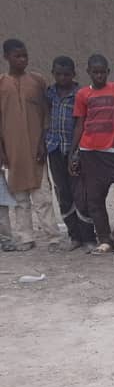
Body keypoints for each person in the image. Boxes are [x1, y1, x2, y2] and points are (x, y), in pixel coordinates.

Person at [71, 54, 114, 255]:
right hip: (89, 153)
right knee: (94, 198)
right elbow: (79, 124)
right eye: (95, 72)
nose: (99, 75)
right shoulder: (83, 94)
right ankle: (104, 239)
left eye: (103, 71)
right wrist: (72, 153)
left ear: (108, 72)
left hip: (113, 153)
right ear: (89, 73)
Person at [0, 38, 62, 252]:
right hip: (13, 150)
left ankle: (52, 235)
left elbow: (46, 113)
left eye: (25, 55)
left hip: (36, 148)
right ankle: (25, 236)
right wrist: (2, 150)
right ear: (6, 57)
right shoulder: (1, 83)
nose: (22, 60)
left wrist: (43, 142)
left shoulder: (37, 81)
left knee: (42, 195)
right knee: (19, 197)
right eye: (17, 56)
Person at [45, 55, 96, 251]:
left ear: (74, 74)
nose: (62, 78)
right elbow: (45, 116)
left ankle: (88, 236)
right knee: (63, 193)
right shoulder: (49, 93)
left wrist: (77, 151)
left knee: (80, 193)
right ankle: (74, 235)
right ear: (53, 74)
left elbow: (82, 124)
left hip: (75, 150)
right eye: (58, 74)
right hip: (54, 148)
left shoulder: (80, 94)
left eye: (67, 74)